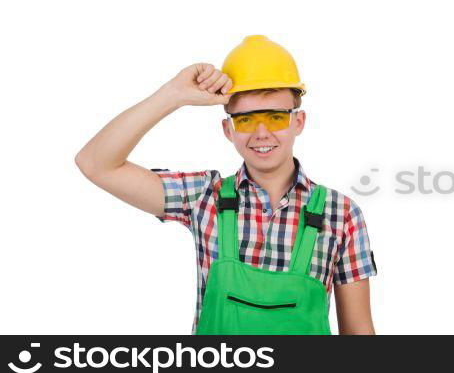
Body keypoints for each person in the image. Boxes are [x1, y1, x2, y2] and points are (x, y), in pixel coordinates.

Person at [75, 35, 377, 334]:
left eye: (275, 117)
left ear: (298, 122)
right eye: (245, 120)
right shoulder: (203, 198)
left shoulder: (341, 214)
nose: (261, 133)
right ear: (227, 129)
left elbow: (359, 333)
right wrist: (172, 95)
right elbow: (96, 163)